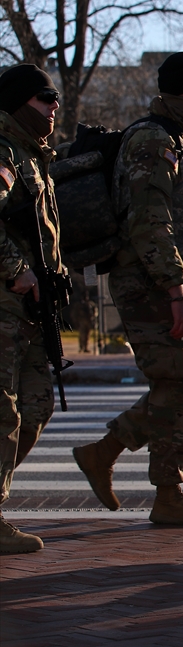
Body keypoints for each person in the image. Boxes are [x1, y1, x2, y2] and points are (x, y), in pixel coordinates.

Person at [72, 52, 183, 526]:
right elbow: (150, 223)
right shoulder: (151, 140)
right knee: (177, 383)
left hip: (174, 279)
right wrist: (176, 292)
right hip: (147, 281)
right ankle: (167, 494)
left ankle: (104, 451)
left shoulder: (182, 141)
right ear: (175, 92)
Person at [0, 64, 66, 554]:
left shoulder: (33, 156)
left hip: (29, 310)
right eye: (46, 97)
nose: (54, 106)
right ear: (21, 102)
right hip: (5, 304)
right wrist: (15, 268)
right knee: (2, 413)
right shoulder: (3, 151)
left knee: (36, 407)